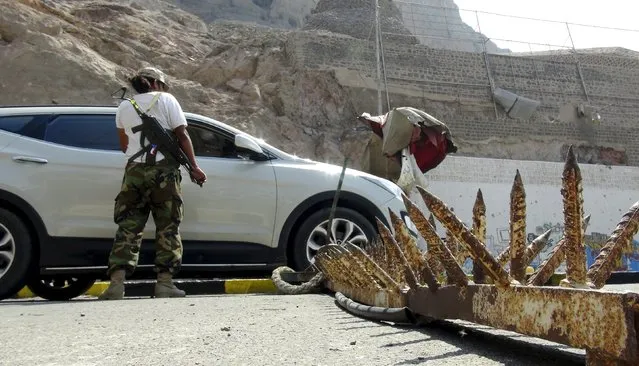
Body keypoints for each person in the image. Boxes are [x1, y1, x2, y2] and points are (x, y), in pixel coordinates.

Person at [98, 66, 207, 300]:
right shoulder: (167, 100)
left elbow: (124, 145)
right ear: (156, 83)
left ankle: (117, 284)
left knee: (128, 226)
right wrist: (194, 167)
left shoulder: (124, 107)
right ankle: (165, 284)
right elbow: (182, 135)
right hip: (164, 172)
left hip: (134, 172)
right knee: (167, 226)